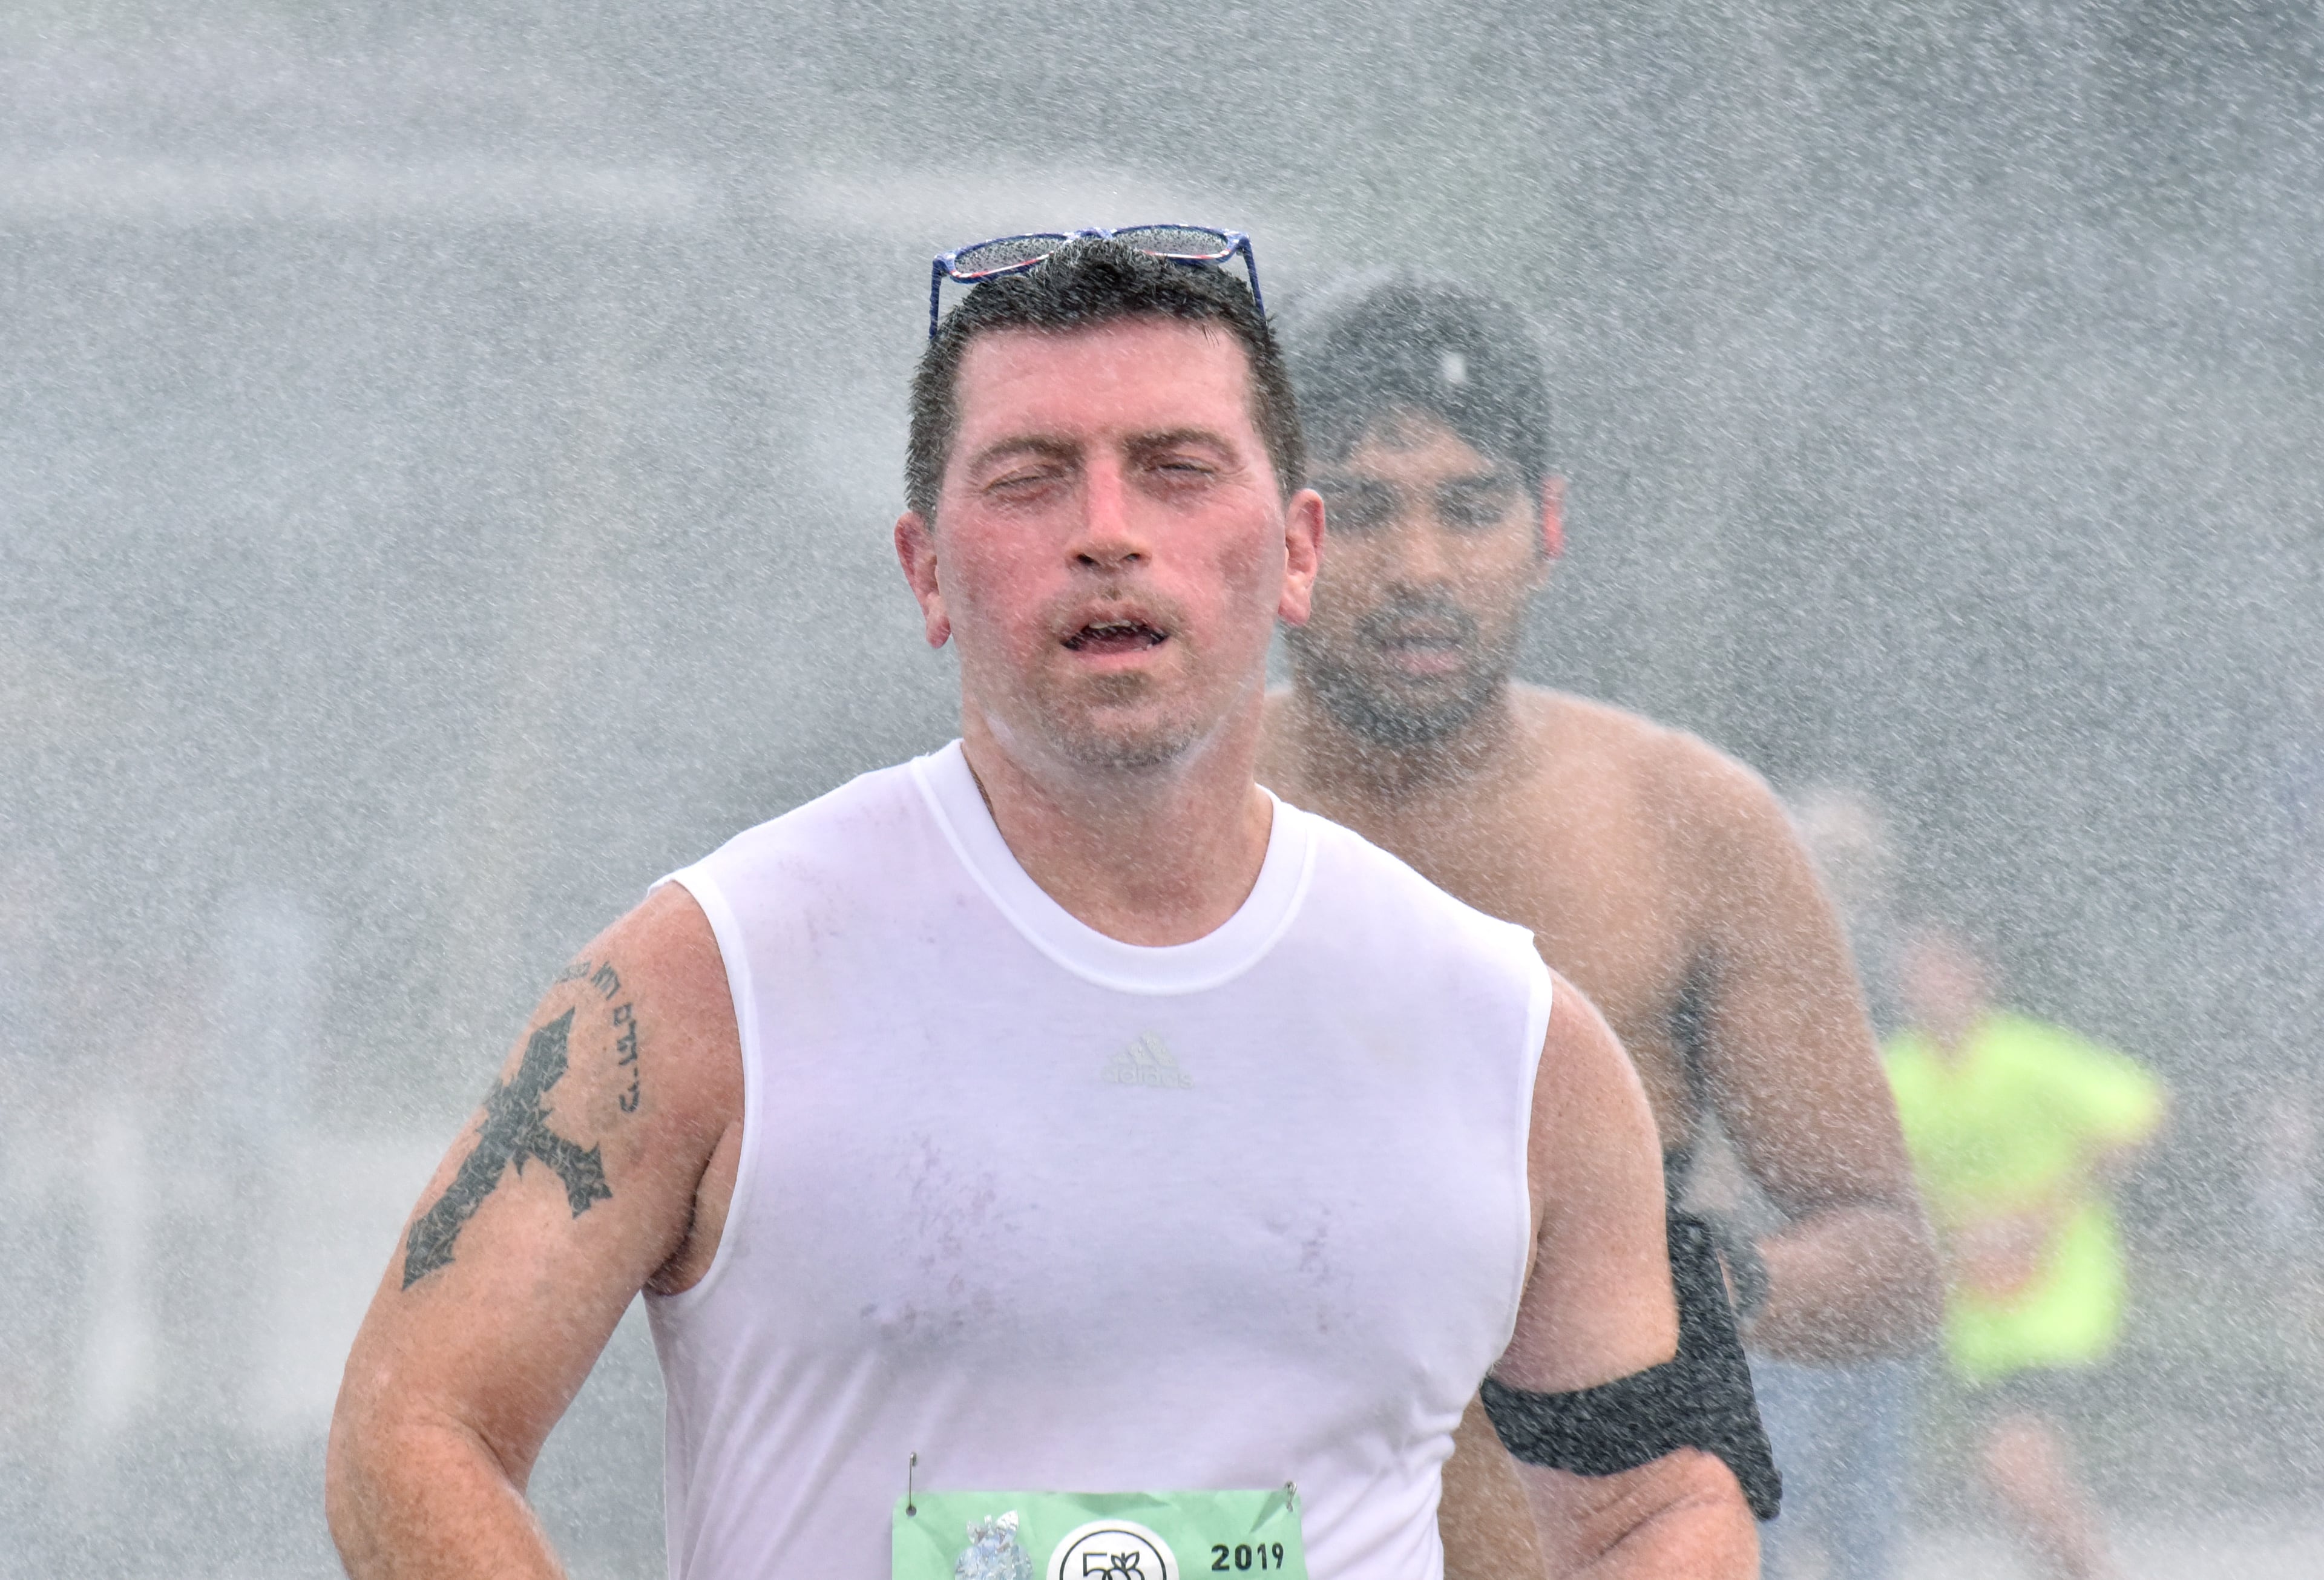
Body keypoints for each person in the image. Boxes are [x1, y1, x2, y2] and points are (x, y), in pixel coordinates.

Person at [325, 238, 1756, 1579]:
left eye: (1177, 469)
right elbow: (414, 1425)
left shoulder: (1507, 1036)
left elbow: (1661, 1502)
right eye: (1029, 478)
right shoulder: (711, 980)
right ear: (926, 570)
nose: (1108, 533)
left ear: (1300, 550)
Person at [1256, 274, 1942, 1572]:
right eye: (1360, 512)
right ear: (1278, 531)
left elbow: (1891, 1254)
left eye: (1471, 510)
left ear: (1548, 525)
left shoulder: (1687, 827)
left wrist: (1708, 1285)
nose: (1419, 567)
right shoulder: (1151, 814)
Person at [1886, 928, 2166, 1580]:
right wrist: (1947, 1229)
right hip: (1977, 1307)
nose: (1926, 985)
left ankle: (2093, 1570)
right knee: (2011, 1476)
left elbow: (2142, 1110)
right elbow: (1869, 1163)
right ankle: (2086, 1568)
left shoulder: (2026, 1056)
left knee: (2012, 1462)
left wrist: (2041, 1214)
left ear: (1981, 977)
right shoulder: (1899, 1070)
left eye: (1940, 970)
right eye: (1915, 971)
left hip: (2060, 1296)